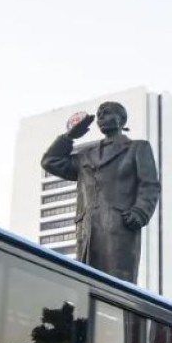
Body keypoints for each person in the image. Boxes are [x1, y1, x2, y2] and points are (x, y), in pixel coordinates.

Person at [41, 102, 160, 283]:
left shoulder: (137, 148)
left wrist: (140, 211)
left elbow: (149, 185)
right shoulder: (86, 155)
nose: (101, 117)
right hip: (87, 229)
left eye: (107, 113)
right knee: (86, 285)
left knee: (117, 285)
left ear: (121, 119)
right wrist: (69, 137)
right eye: (99, 115)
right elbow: (50, 161)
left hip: (119, 225)